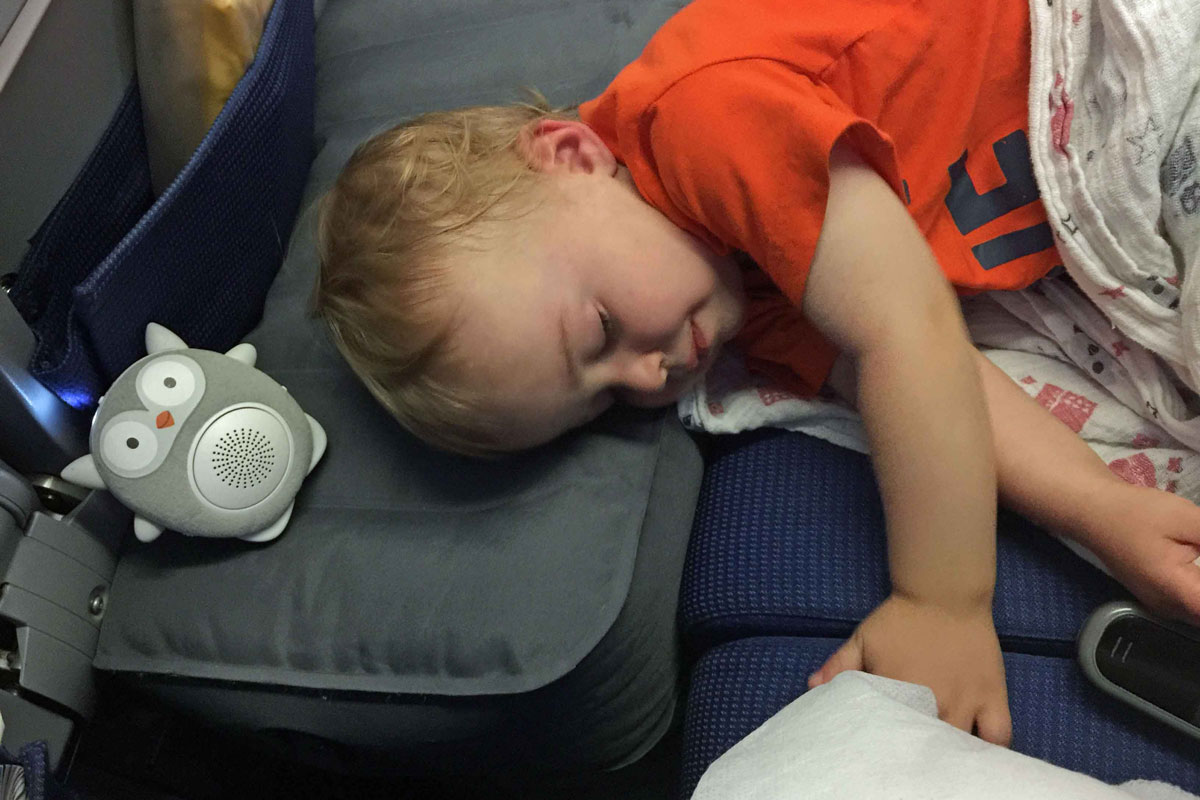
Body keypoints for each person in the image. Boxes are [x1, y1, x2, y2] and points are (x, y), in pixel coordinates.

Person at [313, 0, 1200, 746]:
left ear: (573, 156)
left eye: (605, 329)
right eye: (608, 395)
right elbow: (934, 381)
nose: (650, 369)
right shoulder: (739, 299)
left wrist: (941, 599)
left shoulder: (703, 120)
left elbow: (909, 335)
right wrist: (1108, 511)